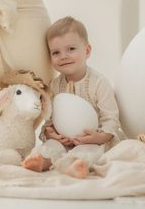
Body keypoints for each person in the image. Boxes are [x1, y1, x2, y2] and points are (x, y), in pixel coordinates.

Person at [22, 16, 123, 178]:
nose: (63, 56)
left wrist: (98, 137)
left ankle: (76, 165)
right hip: (63, 140)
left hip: (91, 139)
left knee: (88, 152)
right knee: (50, 146)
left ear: (87, 51)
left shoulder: (99, 83)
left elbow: (111, 119)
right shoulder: (54, 86)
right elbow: (49, 119)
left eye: (71, 49)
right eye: (56, 52)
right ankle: (42, 161)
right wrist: (51, 133)